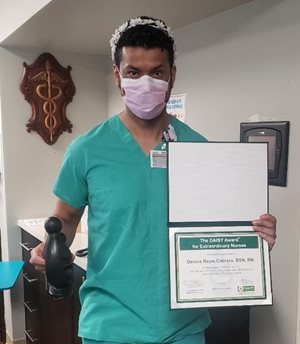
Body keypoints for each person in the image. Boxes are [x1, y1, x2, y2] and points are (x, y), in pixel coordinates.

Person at [30, 16, 277, 344]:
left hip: (182, 326)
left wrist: (254, 238)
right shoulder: (86, 150)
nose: (145, 82)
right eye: (134, 72)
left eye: (157, 72)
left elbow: (220, 228)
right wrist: (50, 247)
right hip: (109, 324)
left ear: (172, 76)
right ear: (118, 77)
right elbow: (65, 218)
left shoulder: (199, 150)